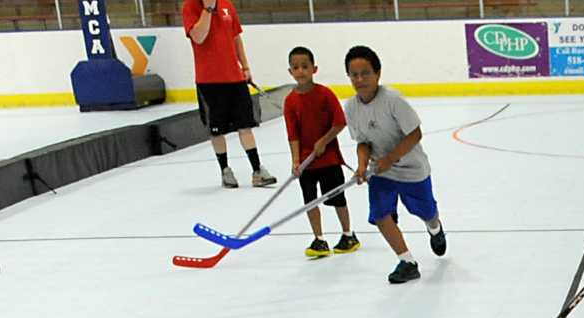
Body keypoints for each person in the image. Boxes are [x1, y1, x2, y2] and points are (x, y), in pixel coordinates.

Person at [342, 44, 446, 286]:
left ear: (377, 74)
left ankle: (435, 227)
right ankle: (407, 261)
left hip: (411, 170)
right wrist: (361, 166)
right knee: (380, 214)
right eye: (353, 75)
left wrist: (391, 158)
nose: (359, 79)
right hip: (381, 172)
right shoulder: (351, 107)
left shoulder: (393, 100)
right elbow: (363, 142)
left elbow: (415, 134)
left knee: (425, 211)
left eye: (365, 73)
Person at [181, 0, 275, 190]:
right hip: (209, 81)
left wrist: (245, 66)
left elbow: (236, 38)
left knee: (245, 126)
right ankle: (225, 170)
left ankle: (257, 170)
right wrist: (208, 9)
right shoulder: (190, 6)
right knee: (216, 130)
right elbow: (199, 36)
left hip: (235, 78)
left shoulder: (227, 5)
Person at [283, 45, 358, 259]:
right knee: (310, 201)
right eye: (295, 67)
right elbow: (292, 134)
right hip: (307, 163)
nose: (300, 71)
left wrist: (324, 141)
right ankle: (319, 239)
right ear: (290, 72)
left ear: (314, 69)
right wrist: (296, 161)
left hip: (329, 160)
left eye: (305, 66)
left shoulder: (325, 94)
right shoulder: (290, 101)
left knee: (337, 198)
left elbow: (340, 121)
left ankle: (348, 234)